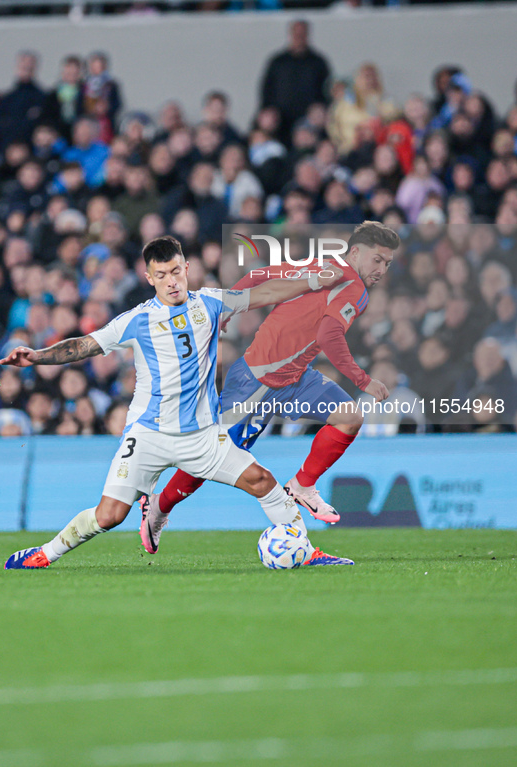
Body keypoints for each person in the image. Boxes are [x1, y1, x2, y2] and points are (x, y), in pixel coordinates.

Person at [2, 236, 354, 569]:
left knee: (262, 481)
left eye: (175, 272)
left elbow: (265, 293)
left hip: (202, 437)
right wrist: (36, 357)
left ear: (186, 269)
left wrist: (312, 281)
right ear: (149, 278)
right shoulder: (137, 320)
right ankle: (44, 554)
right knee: (109, 515)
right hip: (148, 435)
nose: (171, 281)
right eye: (161, 275)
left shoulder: (210, 302)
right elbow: (82, 345)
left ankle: (305, 551)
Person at [140, 222, 399, 553]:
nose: (381, 269)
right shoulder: (353, 289)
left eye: (387, 263)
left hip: (294, 376)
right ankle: (158, 508)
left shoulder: (319, 266)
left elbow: (259, 276)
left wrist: (231, 305)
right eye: (377, 260)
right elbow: (328, 336)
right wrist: (364, 379)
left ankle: (302, 485)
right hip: (257, 381)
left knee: (349, 416)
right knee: (210, 457)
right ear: (356, 252)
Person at [259, 20, 331, 143]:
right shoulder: (278, 62)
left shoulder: (318, 62)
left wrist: (320, 110)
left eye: (302, 34)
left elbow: (327, 90)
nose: (299, 38)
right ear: (290, 35)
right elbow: (266, 90)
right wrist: (268, 111)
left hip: (309, 122)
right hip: (281, 121)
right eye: (296, 34)